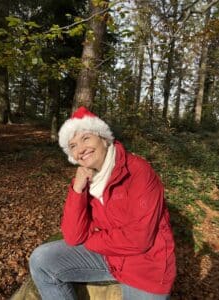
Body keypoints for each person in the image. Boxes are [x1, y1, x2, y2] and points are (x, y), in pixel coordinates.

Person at [29, 106, 176, 300]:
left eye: (85, 138)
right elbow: (73, 237)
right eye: (73, 146)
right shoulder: (87, 178)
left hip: (145, 266)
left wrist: (92, 240)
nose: (80, 149)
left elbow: (139, 239)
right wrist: (77, 190)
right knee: (41, 260)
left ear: (103, 138)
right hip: (109, 256)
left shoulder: (138, 171)